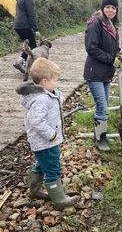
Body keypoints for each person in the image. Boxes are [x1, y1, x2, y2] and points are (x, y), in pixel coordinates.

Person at [15, 58, 80, 209]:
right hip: (45, 141)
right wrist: (51, 134)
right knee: (52, 167)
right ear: (44, 81)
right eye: (55, 80)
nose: (57, 83)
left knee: (42, 164)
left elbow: (55, 94)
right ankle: (59, 200)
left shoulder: (46, 92)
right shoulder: (40, 99)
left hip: (45, 141)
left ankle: (35, 189)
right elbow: (36, 121)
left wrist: (60, 97)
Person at [84, 0, 122, 152]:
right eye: (108, 7)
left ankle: (99, 134)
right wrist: (110, 59)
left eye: (113, 8)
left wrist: (119, 57)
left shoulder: (113, 27)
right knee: (102, 105)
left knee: (104, 104)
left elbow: (115, 49)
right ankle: (101, 139)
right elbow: (91, 47)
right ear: (102, 8)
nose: (111, 10)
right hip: (95, 72)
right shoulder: (96, 24)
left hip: (106, 72)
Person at [13, 0, 40, 74]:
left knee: (27, 43)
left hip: (17, 25)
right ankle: (21, 61)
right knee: (32, 45)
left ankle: (23, 62)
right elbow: (31, 15)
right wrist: (36, 29)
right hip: (24, 25)